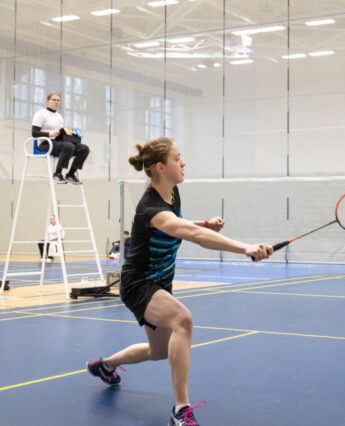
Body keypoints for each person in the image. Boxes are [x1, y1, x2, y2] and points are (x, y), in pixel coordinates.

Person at [86, 136, 273, 426]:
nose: (183, 162)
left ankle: (105, 365)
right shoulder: (150, 208)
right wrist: (246, 248)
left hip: (160, 283)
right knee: (182, 321)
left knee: (159, 351)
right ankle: (181, 410)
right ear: (161, 167)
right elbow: (192, 235)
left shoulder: (172, 194)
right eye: (177, 158)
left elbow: (183, 226)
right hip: (139, 284)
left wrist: (204, 223)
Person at [31, 91, 90, 185]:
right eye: (54, 100)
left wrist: (70, 134)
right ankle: (57, 174)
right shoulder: (41, 114)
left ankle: (70, 175)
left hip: (58, 142)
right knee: (69, 146)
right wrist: (50, 134)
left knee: (84, 148)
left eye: (58, 100)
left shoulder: (59, 116)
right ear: (47, 101)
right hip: (45, 143)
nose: (56, 102)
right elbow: (34, 133)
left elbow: (60, 133)